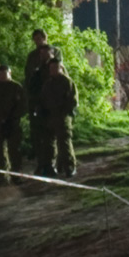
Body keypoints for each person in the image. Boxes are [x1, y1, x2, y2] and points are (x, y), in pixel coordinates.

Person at [34, 45, 79, 178]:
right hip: (49, 117)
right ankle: (51, 167)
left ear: (60, 68)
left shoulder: (67, 82)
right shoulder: (47, 83)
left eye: (55, 67)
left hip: (62, 116)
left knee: (64, 143)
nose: (53, 70)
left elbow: (73, 100)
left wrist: (64, 112)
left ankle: (69, 167)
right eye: (51, 68)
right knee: (50, 144)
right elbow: (42, 99)